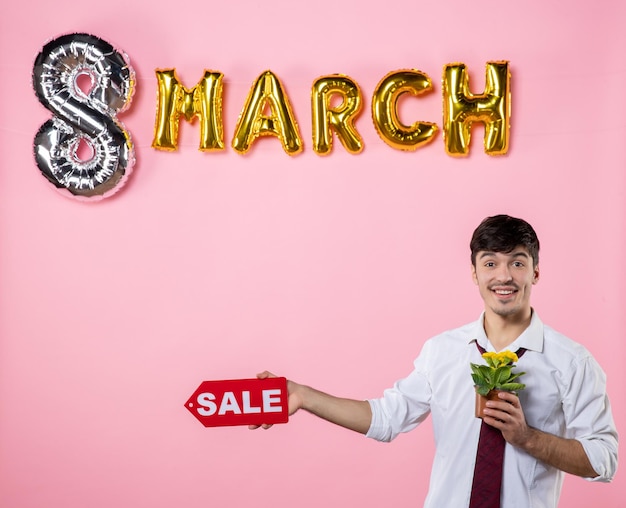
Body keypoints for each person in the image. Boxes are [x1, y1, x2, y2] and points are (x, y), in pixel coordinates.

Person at [252, 214, 618, 507]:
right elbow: (386, 418)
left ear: (535, 272)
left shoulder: (573, 363)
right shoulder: (441, 352)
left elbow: (604, 460)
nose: (504, 276)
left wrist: (527, 438)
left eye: (517, 263)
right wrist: (302, 396)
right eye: (490, 263)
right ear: (474, 273)